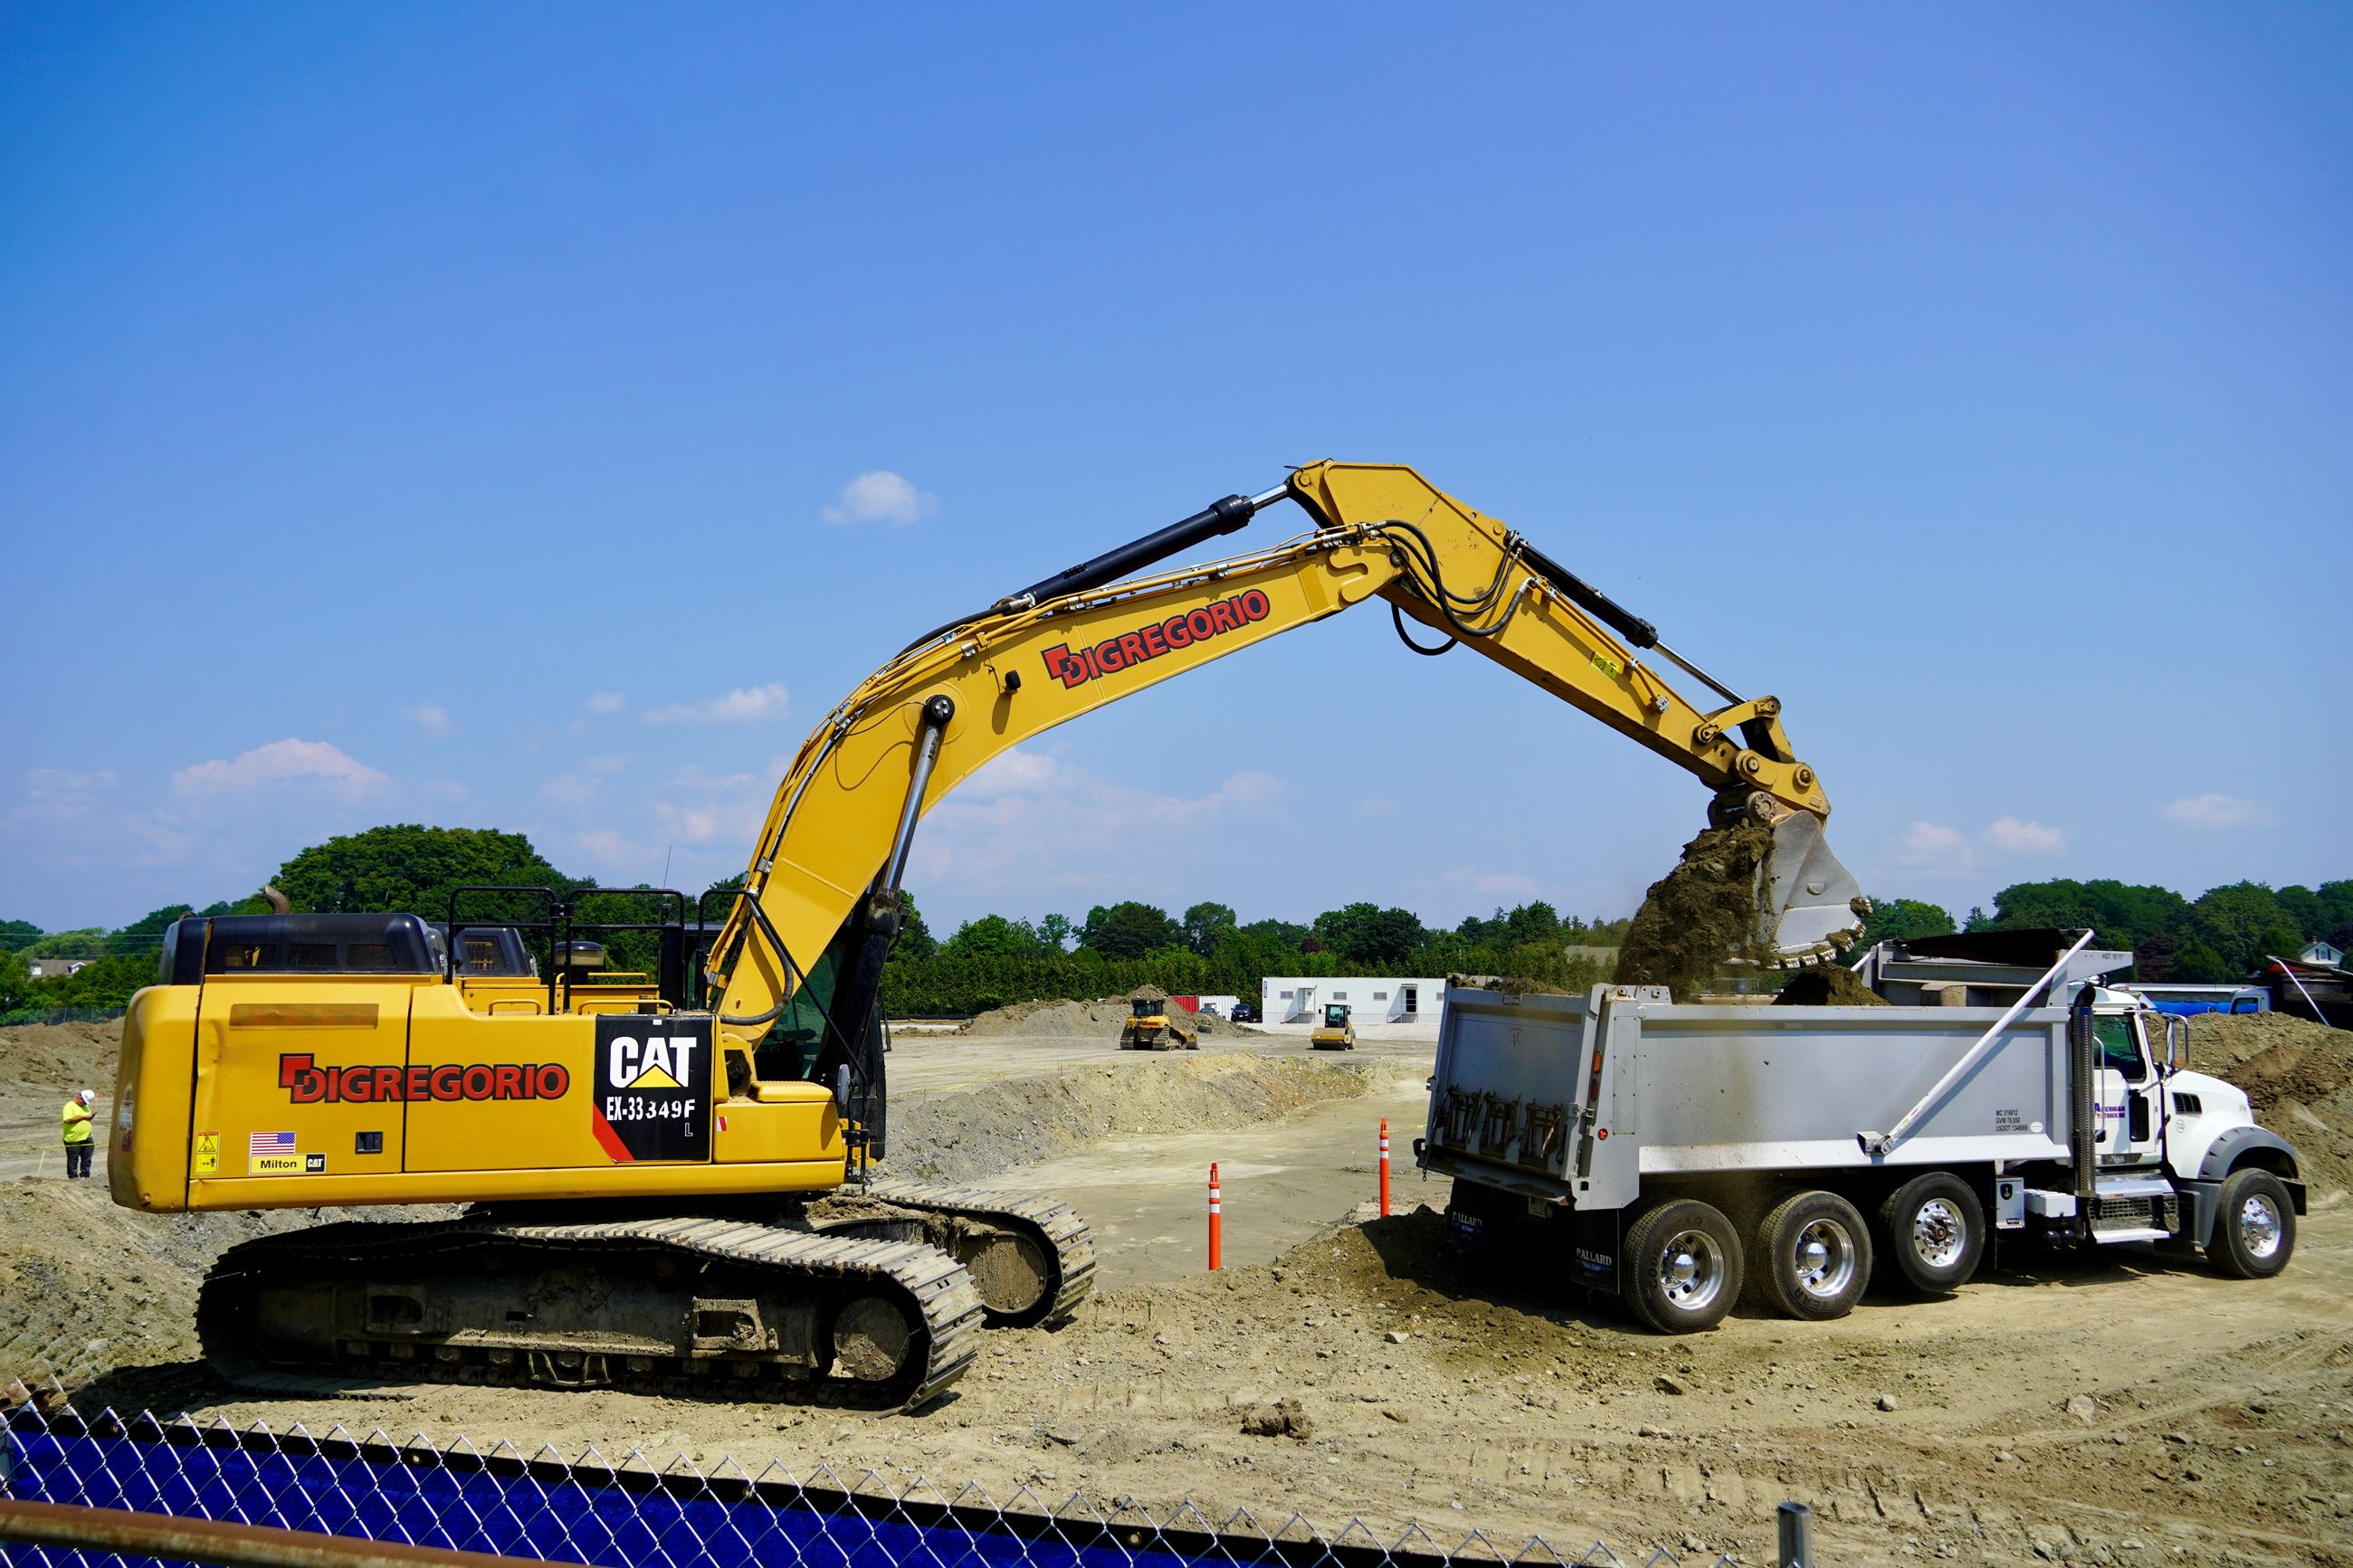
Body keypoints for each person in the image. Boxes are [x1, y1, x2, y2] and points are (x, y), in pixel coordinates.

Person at [60, 1088, 95, 1179]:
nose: (85, 1104)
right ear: (80, 1097)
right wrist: (83, 1117)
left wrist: (89, 1118)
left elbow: (86, 1117)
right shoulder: (69, 1106)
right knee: (73, 1159)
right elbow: (68, 1120)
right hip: (73, 1139)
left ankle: (85, 1175)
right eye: (84, 1102)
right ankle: (73, 1177)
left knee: (87, 1158)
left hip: (87, 1136)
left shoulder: (85, 1106)